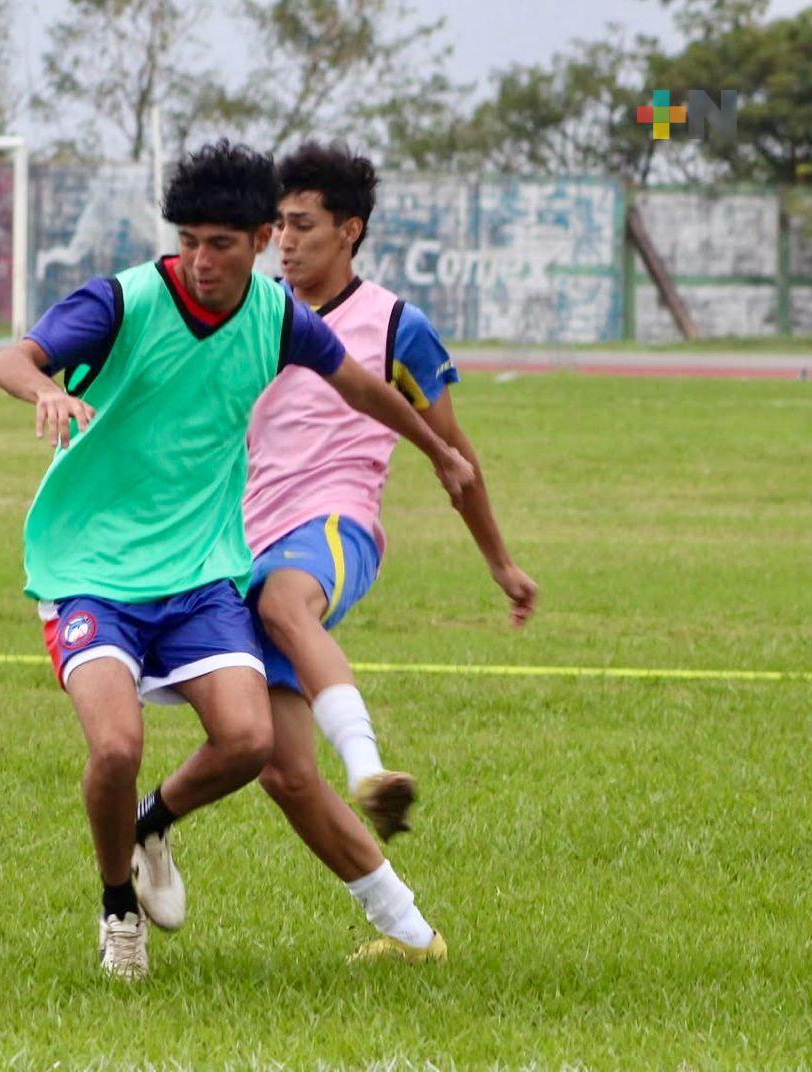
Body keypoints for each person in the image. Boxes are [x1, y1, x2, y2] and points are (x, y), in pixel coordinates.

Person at [0, 140, 476, 980]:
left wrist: (438, 450)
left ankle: (150, 823)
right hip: (90, 571)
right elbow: (11, 358)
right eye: (189, 242)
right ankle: (118, 910)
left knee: (251, 743)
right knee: (116, 748)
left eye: (221, 244)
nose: (201, 261)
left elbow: (362, 386)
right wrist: (47, 390)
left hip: (201, 572)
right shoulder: (124, 300)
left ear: (258, 240)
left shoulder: (277, 319)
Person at [244, 141, 539, 962]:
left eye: (303, 225)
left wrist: (499, 563)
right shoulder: (255, 314)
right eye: (278, 226)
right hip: (241, 542)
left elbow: (454, 457)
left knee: (285, 601)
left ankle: (368, 767)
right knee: (280, 771)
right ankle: (412, 937)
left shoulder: (396, 326)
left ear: (351, 230)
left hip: (333, 529)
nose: (285, 242)